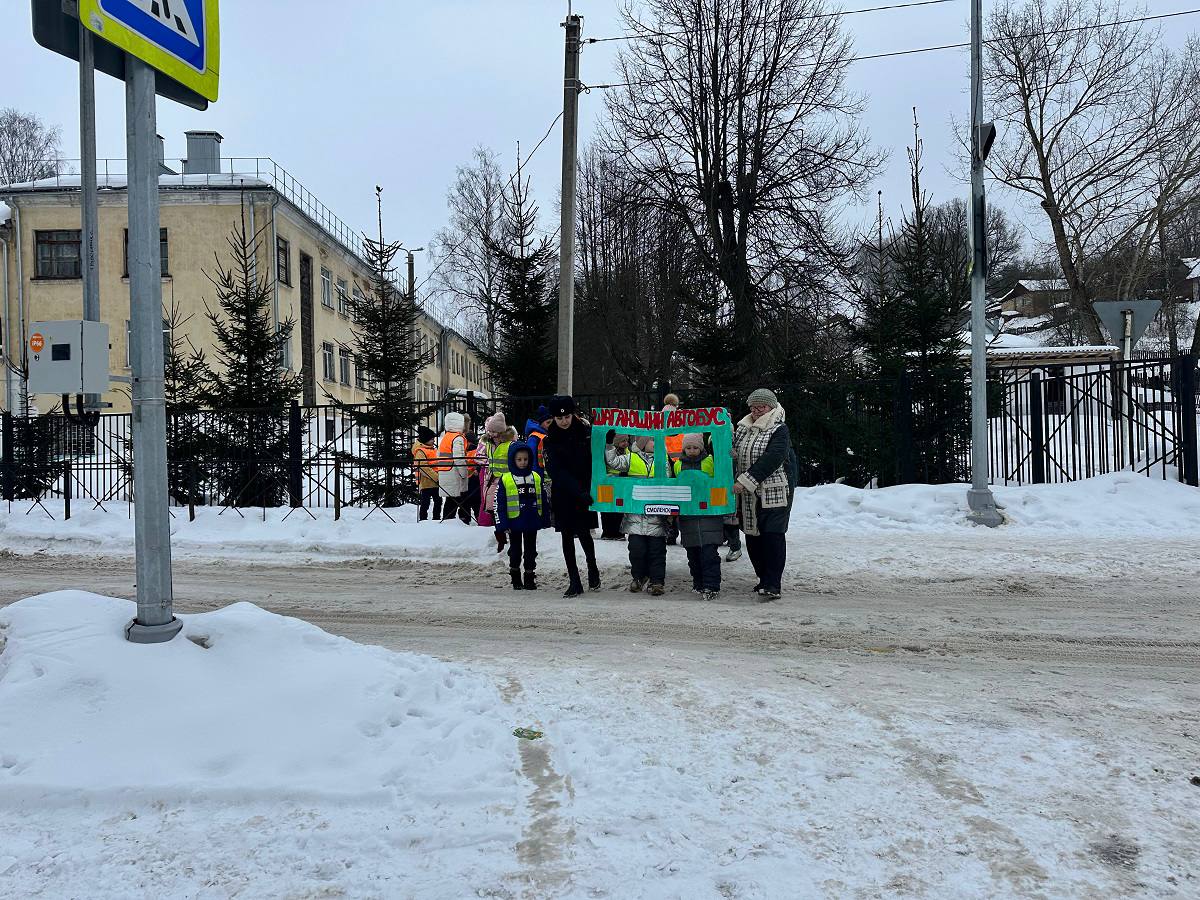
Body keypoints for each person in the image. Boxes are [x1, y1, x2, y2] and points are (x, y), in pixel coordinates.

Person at [732, 388, 795, 601]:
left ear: (771, 407)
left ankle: (773, 583)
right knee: (752, 535)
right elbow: (735, 450)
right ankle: (762, 578)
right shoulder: (742, 428)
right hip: (748, 495)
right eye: (753, 407)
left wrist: (747, 479)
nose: (757, 411)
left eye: (762, 407)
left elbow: (773, 457)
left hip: (774, 491)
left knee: (772, 535)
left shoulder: (779, 429)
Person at [542, 395, 601, 597]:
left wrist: (607, 438)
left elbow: (596, 457)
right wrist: (578, 491)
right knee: (567, 536)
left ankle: (592, 568)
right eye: (559, 419)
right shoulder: (550, 440)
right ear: (554, 419)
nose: (564, 421)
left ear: (572, 414)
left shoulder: (585, 433)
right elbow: (556, 471)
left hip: (585, 491)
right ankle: (574, 580)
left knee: (584, 533)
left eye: (567, 416)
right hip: (565, 493)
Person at [494, 442, 551, 590]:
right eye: (519, 459)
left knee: (531, 551)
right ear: (513, 460)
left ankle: (530, 576)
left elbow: (543, 500)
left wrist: (545, 519)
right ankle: (515, 576)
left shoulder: (536, 477)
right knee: (515, 550)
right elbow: (499, 503)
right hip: (514, 523)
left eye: (525, 459)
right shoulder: (506, 479)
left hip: (532, 521)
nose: (522, 462)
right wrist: (502, 524)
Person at [673, 433, 723, 600]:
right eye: (688, 448)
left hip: (709, 513)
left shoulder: (710, 461)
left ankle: (712, 585)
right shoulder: (678, 465)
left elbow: (721, 478)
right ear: (684, 449)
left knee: (709, 553)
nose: (692, 451)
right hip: (688, 515)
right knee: (693, 554)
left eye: (695, 447)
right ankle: (698, 583)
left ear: (701, 448)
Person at [623, 435, 668, 596]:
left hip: (656, 517)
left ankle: (657, 581)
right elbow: (613, 463)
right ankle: (638, 577)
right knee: (636, 550)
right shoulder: (630, 458)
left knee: (657, 551)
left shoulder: (663, 459)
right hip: (635, 517)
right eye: (653, 440)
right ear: (642, 443)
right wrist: (609, 445)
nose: (657, 443)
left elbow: (669, 482)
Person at [480, 413, 519, 548]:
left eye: (494, 432)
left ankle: (509, 536)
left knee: (505, 510)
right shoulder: (489, 444)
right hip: (492, 480)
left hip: (507, 482)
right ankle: (501, 538)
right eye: (490, 431)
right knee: (492, 509)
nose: (491, 434)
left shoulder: (509, 445)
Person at [436, 412, 471, 523]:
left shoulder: (446, 437)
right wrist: (464, 473)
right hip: (455, 474)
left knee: (450, 501)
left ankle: (447, 522)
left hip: (445, 472)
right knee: (462, 501)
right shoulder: (457, 438)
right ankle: (464, 521)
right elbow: (459, 458)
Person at [661, 393, 683, 546]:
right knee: (682, 497)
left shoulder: (660, 416)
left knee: (668, 499)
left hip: (665, 461)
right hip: (681, 461)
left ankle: (670, 531)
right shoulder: (681, 417)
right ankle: (683, 530)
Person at [600, 432, 631, 540]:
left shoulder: (627, 452)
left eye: (627, 441)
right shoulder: (609, 450)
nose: (625, 443)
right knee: (606, 508)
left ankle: (618, 532)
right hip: (607, 481)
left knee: (619, 508)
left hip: (620, 482)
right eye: (623, 441)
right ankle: (607, 531)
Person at [413, 425, 442, 522]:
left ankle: (436, 519)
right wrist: (437, 477)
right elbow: (424, 468)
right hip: (426, 483)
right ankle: (423, 520)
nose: (434, 440)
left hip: (436, 482)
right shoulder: (420, 451)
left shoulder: (432, 449)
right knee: (425, 503)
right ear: (425, 439)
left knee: (438, 501)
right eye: (431, 439)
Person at [523, 406, 550, 476]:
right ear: (541, 424)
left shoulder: (548, 434)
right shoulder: (534, 438)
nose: (550, 425)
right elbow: (532, 460)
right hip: (539, 477)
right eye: (548, 422)